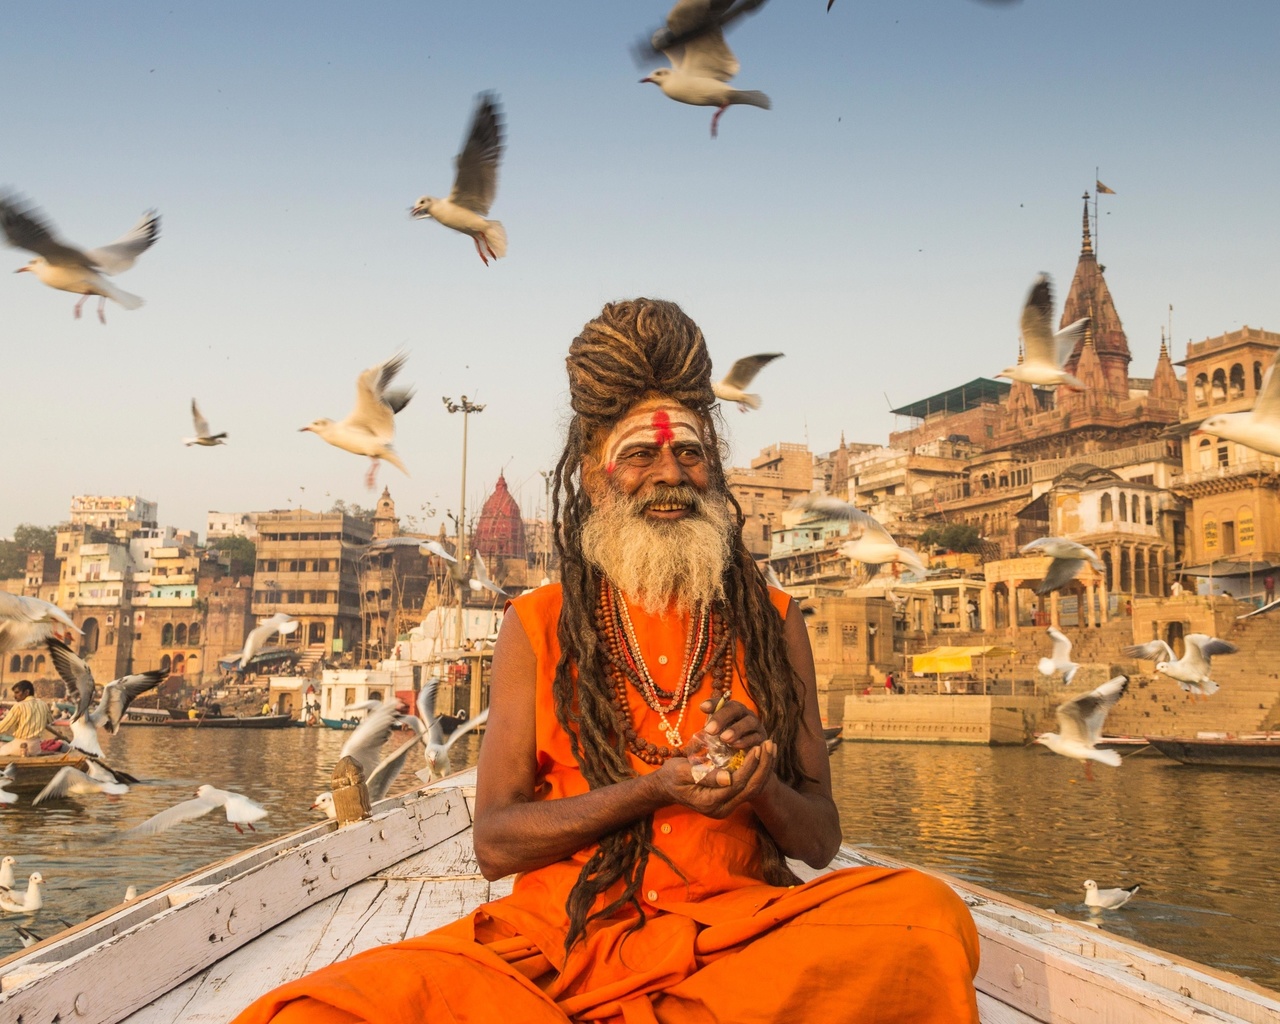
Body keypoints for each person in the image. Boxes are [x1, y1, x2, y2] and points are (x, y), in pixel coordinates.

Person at [233, 298, 980, 1023]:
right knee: (308, 1014)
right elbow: (494, 844)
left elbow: (818, 841)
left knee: (926, 918)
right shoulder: (538, 622)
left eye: (689, 452)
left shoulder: (774, 620)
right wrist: (656, 789)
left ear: (713, 469)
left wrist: (761, 788)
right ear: (595, 475)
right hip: (561, 942)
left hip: (736, 936)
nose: (668, 474)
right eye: (640, 455)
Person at [0, 680, 56, 756]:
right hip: (36, 748)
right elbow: (50, 721)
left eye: (17, 692)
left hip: (20, 746)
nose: (14, 696)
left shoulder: (19, 706)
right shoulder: (43, 704)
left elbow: (3, 726)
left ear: (27, 692)